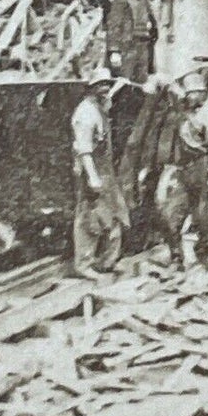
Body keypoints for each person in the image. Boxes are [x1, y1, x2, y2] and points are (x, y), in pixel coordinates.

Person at [156, 69, 208, 268]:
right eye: (188, 93)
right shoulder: (182, 110)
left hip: (202, 167)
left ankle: (202, 257)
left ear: (202, 94)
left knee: (205, 219)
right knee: (168, 214)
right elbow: (171, 90)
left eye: (194, 93)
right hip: (181, 169)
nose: (190, 97)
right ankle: (176, 255)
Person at [70, 69, 129, 278]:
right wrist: (93, 177)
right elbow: (83, 149)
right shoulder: (85, 114)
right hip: (91, 170)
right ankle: (84, 265)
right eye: (101, 85)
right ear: (91, 88)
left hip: (104, 170)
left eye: (106, 84)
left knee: (115, 214)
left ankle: (108, 261)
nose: (105, 88)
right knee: (89, 219)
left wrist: (117, 88)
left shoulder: (98, 106)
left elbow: (107, 102)